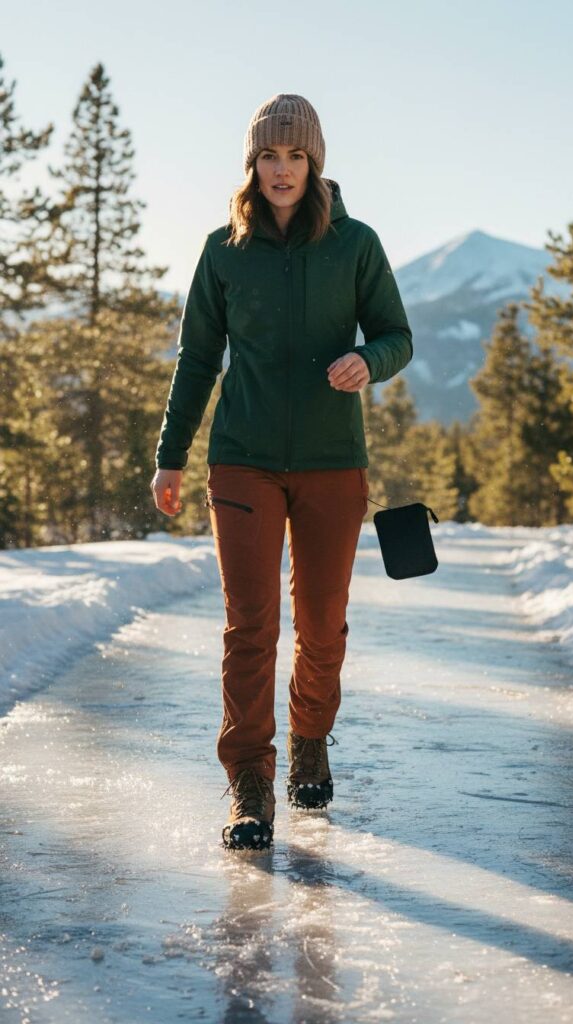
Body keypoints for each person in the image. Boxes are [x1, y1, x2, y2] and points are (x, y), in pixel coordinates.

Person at [151, 93, 413, 852]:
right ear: (252, 163)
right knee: (251, 624)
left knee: (322, 624)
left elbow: (396, 334)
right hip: (243, 459)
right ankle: (249, 782)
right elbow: (197, 359)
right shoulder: (223, 251)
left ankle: (309, 738)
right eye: (269, 155)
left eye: (296, 155)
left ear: (315, 163)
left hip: (333, 462)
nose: (282, 169)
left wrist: (368, 360)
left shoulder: (355, 245)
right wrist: (170, 457)